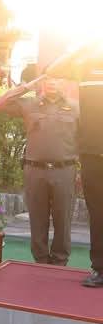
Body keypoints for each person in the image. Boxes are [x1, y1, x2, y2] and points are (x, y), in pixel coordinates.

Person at [0, 72, 78, 266]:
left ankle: (59, 263)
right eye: (47, 78)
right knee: (37, 219)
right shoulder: (30, 104)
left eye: (56, 77)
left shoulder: (75, 107)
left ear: (64, 81)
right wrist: (27, 87)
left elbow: (84, 137)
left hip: (64, 171)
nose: (51, 82)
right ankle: (40, 262)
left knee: (63, 219)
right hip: (35, 171)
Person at [46, 43, 103, 287]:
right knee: (98, 213)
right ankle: (100, 268)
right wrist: (81, 48)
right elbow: (53, 70)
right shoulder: (85, 66)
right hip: (91, 153)